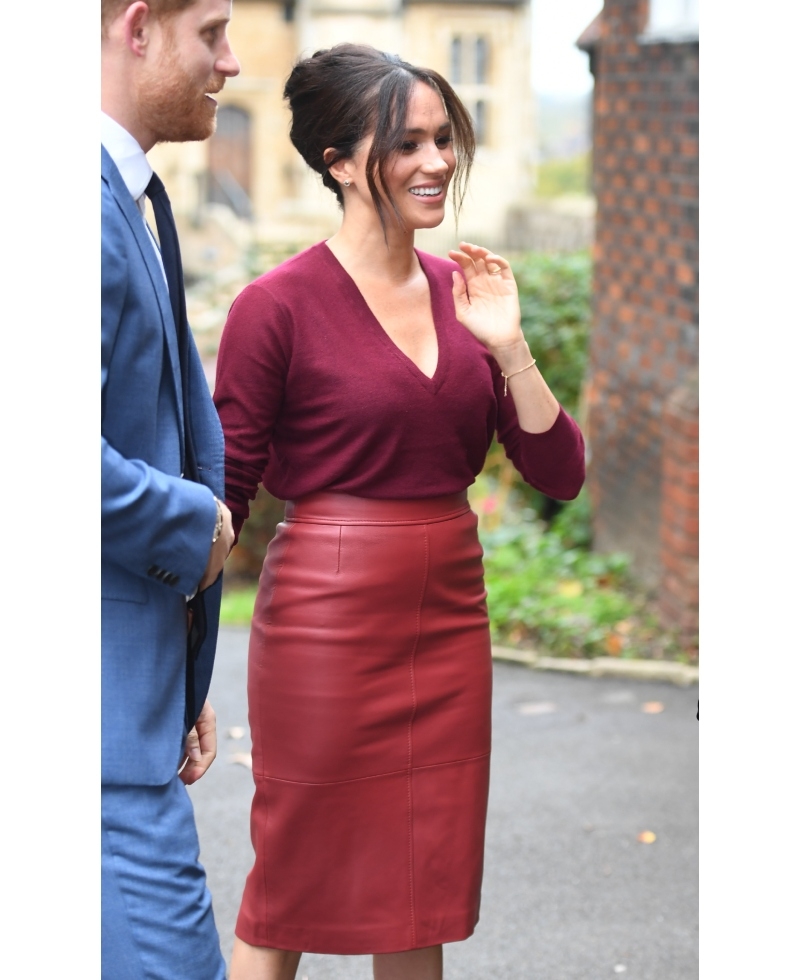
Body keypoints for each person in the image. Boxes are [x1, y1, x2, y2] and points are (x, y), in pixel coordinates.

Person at [213, 43, 586, 980]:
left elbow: (561, 471)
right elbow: (227, 493)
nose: (437, 162)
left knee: (417, 883)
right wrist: (174, 675)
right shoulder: (276, 306)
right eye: (406, 142)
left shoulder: (472, 295)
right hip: (324, 624)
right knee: (290, 874)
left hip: (448, 612)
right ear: (340, 161)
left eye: (443, 138)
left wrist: (508, 348)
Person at [101, 2, 240, 977]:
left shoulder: (123, 195)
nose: (230, 62)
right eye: (213, 32)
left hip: (130, 702)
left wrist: (176, 663)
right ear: (138, 27)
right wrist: (196, 524)